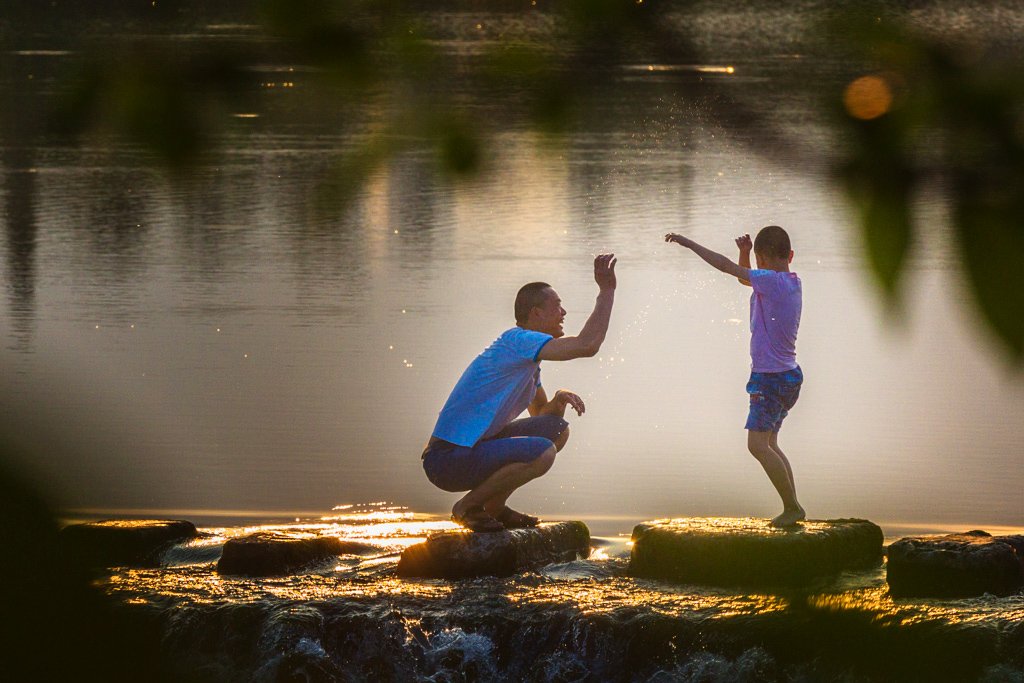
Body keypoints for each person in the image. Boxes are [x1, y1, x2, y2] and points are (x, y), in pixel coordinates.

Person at [422, 254, 617, 532]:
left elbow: (540, 415)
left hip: (468, 452)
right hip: (446, 459)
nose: (563, 313)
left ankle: (494, 508)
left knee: (557, 429)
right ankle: (467, 507)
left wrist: (559, 398)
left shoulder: (526, 359)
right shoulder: (519, 340)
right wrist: (606, 291)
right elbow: (586, 345)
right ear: (536, 313)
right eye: (557, 306)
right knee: (543, 453)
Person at [664, 226, 805, 527]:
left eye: (757, 261)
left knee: (757, 446)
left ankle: (792, 507)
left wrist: (690, 243)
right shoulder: (790, 282)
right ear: (790, 255)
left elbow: (729, 269)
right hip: (789, 376)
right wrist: (746, 255)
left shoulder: (770, 282)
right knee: (772, 445)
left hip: (770, 379)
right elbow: (746, 277)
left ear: (762, 258)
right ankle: (794, 506)